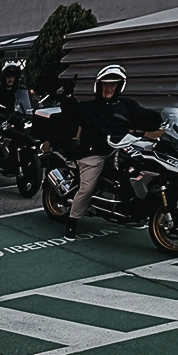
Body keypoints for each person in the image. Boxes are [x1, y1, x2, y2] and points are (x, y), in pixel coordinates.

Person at [59, 64, 162, 238]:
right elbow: (71, 112)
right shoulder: (89, 107)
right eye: (105, 85)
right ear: (99, 86)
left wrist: (162, 118)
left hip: (122, 150)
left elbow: (145, 116)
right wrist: (68, 95)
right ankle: (72, 221)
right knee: (87, 187)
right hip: (94, 153)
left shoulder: (127, 104)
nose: (108, 88)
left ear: (119, 86)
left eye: (113, 85)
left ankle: (134, 212)